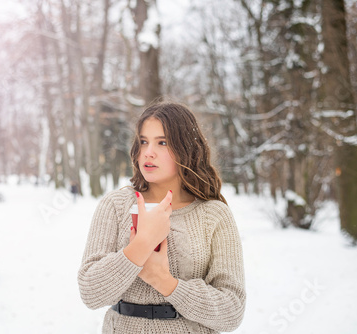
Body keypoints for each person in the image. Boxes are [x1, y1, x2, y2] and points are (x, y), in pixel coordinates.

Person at [78, 101, 245, 333]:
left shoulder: (213, 214)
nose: (148, 152)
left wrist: (164, 282)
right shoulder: (115, 206)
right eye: (144, 141)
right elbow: (90, 293)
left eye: (162, 142)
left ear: (187, 149)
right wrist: (140, 246)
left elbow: (232, 311)